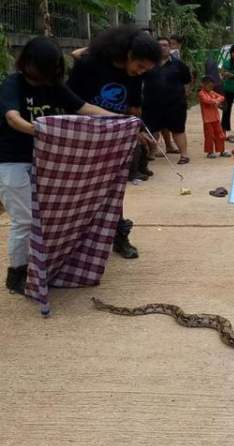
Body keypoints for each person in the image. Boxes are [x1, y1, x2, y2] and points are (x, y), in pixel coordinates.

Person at [0, 37, 113, 294]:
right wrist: (40, 131)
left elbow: (85, 108)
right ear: (27, 63)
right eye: (42, 69)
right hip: (12, 162)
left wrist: (121, 120)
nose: (46, 75)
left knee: (51, 217)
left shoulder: (53, 85)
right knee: (25, 220)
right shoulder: (12, 84)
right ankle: (17, 272)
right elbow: (12, 118)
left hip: (46, 159)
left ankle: (40, 267)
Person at [67, 25, 161, 259]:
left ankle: (119, 237)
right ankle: (76, 244)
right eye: (139, 66)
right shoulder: (90, 65)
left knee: (114, 192)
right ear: (128, 54)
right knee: (81, 194)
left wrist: (138, 131)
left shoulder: (135, 77)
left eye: (145, 70)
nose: (140, 72)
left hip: (114, 141)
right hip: (84, 138)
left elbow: (133, 108)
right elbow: (68, 100)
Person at [142, 37, 192, 165]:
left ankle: (184, 155)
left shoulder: (179, 64)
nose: (162, 47)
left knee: (178, 130)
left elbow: (187, 80)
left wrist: (184, 95)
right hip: (152, 104)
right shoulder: (147, 64)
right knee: (152, 130)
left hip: (175, 104)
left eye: (165, 45)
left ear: (170, 48)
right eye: (159, 45)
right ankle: (150, 153)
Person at [198, 76, 229, 159]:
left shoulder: (212, 92)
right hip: (207, 119)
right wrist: (216, 101)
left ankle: (221, 150)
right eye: (208, 86)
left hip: (216, 118)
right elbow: (207, 101)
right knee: (209, 136)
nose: (210, 88)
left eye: (212, 86)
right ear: (203, 85)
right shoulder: (201, 93)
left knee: (220, 134)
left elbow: (222, 97)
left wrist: (216, 100)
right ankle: (210, 152)